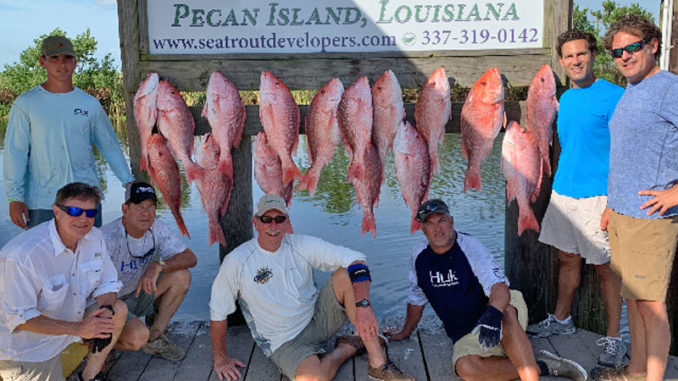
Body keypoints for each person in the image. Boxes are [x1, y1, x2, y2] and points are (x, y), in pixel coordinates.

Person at [209, 194, 414, 381]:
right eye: (266, 219)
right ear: (256, 223)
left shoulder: (301, 245)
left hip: (317, 319)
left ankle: (379, 365)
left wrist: (364, 306)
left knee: (346, 274)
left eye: (280, 219)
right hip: (284, 341)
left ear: (287, 222)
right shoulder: (237, 261)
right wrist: (220, 359)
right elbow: (218, 311)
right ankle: (347, 348)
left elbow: (356, 258)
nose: (273, 225)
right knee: (313, 379)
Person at [385, 199, 587, 381]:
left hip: (497, 311)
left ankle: (530, 377)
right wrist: (405, 331)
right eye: (430, 223)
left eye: (442, 220)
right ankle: (541, 365)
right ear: (422, 229)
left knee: (507, 312)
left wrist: (492, 314)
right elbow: (417, 297)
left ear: (451, 221)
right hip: (467, 332)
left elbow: (498, 286)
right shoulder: (419, 257)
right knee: (465, 368)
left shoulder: (469, 246)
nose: (437, 228)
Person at [525, 29, 626, 368]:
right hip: (564, 193)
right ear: (562, 62)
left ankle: (614, 338)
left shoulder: (615, 96)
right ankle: (562, 319)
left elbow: (625, 153)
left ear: (593, 55)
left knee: (606, 269)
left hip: (600, 196)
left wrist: (614, 202)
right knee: (567, 260)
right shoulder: (564, 99)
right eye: (569, 56)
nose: (576, 61)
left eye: (581, 54)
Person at [591, 14, 678, 381]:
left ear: (653, 45)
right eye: (616, 52)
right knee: (633, 300)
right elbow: (628, 153)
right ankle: (636, 371)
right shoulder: (632, 89)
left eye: (632, 47)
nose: (624, 56)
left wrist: (676, 192)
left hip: (651, 218)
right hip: (624, 213)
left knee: (651, 306)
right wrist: (613, 203)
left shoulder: (670, 88)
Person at [3, 35, 134, 229]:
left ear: (75, 62)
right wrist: (15, 197)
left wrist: (128, 183)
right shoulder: (26, 103)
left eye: (67, 58)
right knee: (44, 259)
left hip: (86, 202)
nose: (61, 64)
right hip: (42, 203)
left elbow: (110, 147)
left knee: (89, 258)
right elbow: (15, 153)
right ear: (42, 62)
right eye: (54, 58)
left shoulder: (90, 104)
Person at [0, 182, 127, 381]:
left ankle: (90, 376)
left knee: (118, 310)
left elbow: (108, 283)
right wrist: (80, 329)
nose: (83, 219)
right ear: (57, 212)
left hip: (71, 327)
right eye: (75, 211)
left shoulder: (94, 237)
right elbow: (20, 318)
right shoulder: (23, 255)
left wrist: (106, 313)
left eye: (90, 213)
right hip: (28, 348)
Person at [100, 182, 197, 361]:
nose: (146, 213)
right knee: (137, 337)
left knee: (181, 275)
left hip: (138, 292)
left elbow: (190, 258)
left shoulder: (157, 227)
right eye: (139, 207)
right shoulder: (106, 237)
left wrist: (158, 265)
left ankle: (155, 338)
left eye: (151, 206)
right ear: (125, 209)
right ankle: (102, 347)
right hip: (111, 302)